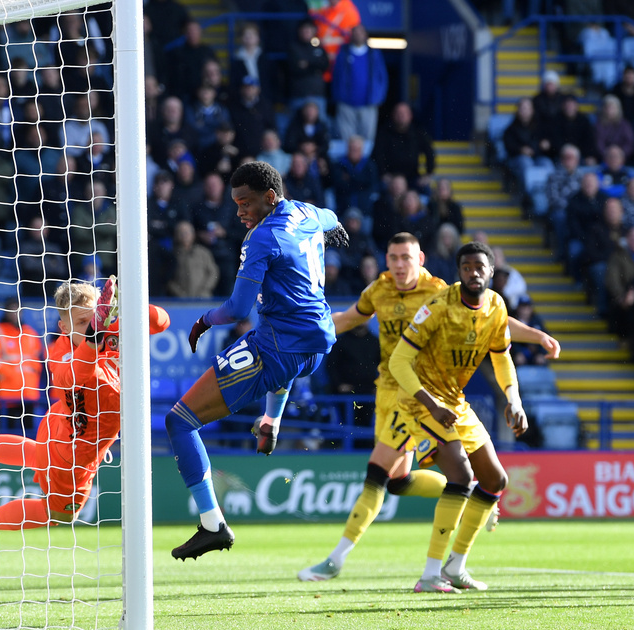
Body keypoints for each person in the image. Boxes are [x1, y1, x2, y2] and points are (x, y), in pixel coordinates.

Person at [297, 233, 559, 583]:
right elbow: (347, 320)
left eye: (406, 257)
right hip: (397, 392)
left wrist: (535, 335)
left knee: (385, 475)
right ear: (386, 260)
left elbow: (490, 321)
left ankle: (339, 559)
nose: (399, 264)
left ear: (420, 259)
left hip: (429, 393)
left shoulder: (438, 291)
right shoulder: (379, 290)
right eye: (393, 258)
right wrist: (309, 333)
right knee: (398, 481)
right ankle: (434, 552)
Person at [166, 161, 348, 560]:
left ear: (269, 198)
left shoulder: (262, 238)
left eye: (245, 203)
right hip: (318, 345)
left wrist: (202, 321)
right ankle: (272, 420)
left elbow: (236, 309)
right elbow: (331, 217)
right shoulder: (305, 212)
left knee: (178, 421)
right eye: (235, 204)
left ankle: (212, 525)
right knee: (276, 352)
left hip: (277, 347)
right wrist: (334, 231)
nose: (239, 212)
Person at [0, 281, 172, 549]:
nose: (90, 327)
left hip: (61, 424)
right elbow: (77, 375)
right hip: (75, 448)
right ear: (63, 328)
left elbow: (162, 322)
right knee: (62, 514)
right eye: (81, 324)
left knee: (34, 454)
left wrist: (129, 306)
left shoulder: (110, 327)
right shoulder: (61, 352)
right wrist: (93, 336)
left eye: (92, 319)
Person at [384, 242, 527, 593]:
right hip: (420, 401)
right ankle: (430, 575)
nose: (473, 272)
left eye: (479, 266)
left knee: (494, 480)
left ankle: (456, 566)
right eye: (466, 267)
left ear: (491, 272)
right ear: (459, 271)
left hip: (455, 402)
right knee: (462, 477)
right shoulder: (438, 307)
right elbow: (398, 361)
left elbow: (502, 357)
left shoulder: (496, 307)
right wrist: (430, 404)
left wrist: (514, 399)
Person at [0, 297, 45, 432]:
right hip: (7, 391)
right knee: (8, 431)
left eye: (17, 310)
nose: (14, 313)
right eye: (11, 310)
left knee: (28, 431)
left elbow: (37, 360)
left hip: (29, 391)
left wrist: (30, 373)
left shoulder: (30, 333)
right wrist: (12, 373)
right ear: (5, 312)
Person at [331, 25, 387, 143]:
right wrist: (338, 97)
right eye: (355, 32)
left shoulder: (374, 54)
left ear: (365, 35)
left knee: (367, 141)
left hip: (368, 104)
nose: (358, 35)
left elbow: (382, 78)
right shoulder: (343, 52)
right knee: (345, 140)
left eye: (361, 32)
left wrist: (378, 98)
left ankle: (365, 162)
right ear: (351, 35)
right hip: (346, 104)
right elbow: (336, 76)